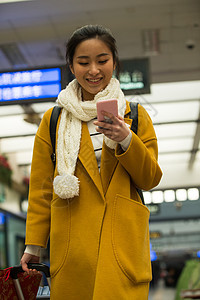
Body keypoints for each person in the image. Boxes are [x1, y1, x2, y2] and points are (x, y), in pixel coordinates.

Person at [20, 24, 162, 299]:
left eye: (102, 60)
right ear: (71, 67)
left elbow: (150, 178)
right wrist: (34, 246)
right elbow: (41, 189)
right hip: (74, 249)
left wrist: (125, 139)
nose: (94, 70)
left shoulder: (134, 115)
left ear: (114, 63)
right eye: (83, 62)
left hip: (122, 248)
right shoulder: (53, 120)